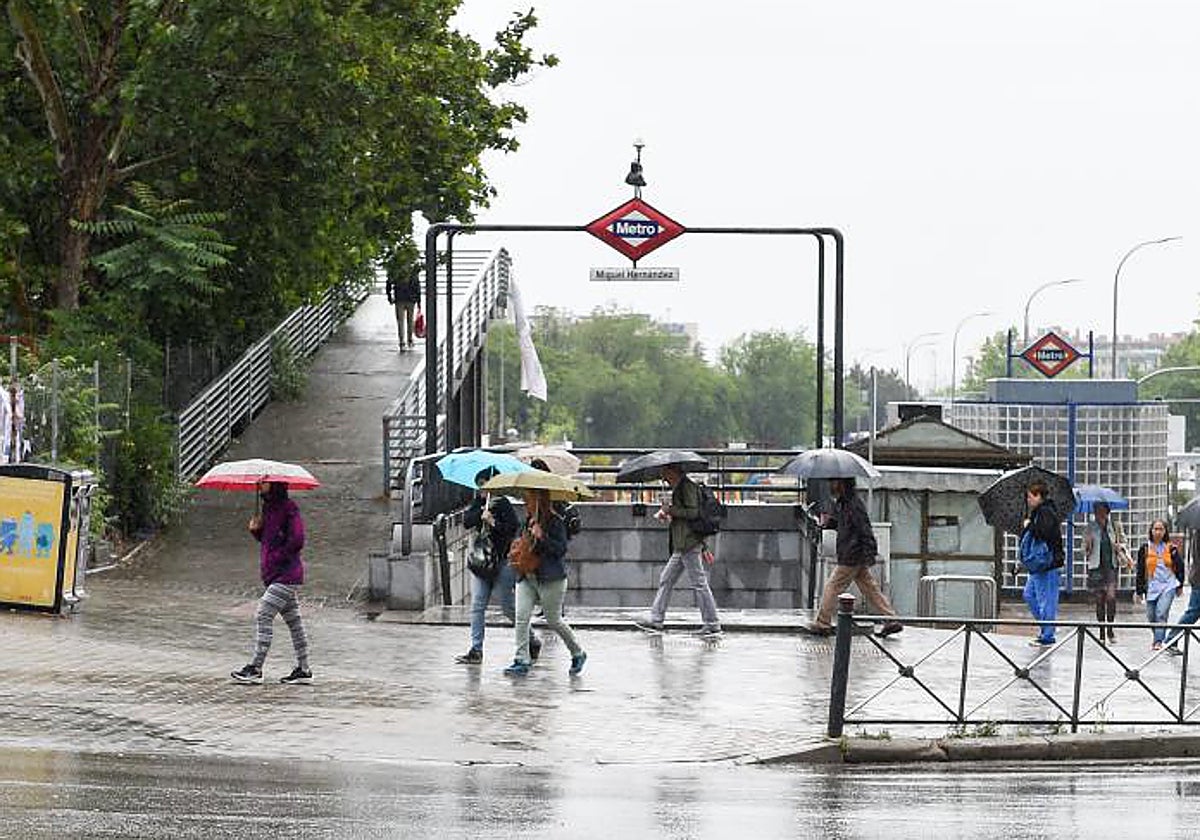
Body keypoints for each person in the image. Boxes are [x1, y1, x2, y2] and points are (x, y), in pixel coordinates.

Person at [455, 469, 541, 664]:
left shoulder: (503, 504)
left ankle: (531, 638)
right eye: (479, 485)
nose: (481, 490)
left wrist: (493, 522)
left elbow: (512, 529)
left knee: (507, 605)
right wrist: (480, 515)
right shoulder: (479, 503)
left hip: (503, 562)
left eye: (484, 485)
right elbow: (467, 521)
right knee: (477, 605)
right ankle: (476, 649)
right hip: (482, 563)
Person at [231, 481, 312, 684]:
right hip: (275, 575)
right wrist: (256, 530)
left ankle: (256, 668)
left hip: (286, 575)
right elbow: (269, 539)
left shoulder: (289, 508)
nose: (261, 484)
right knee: (294, 622)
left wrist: (278, 557)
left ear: (274, 484)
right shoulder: (268, 508)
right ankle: (304, 669)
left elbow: (298, 539)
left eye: (265, 482)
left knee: (263, 613)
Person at [803, 477, 902, 638]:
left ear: (842, 483)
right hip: (853, 553)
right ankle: (891, 619)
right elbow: (843, 524)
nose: (830, 485)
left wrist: (870, 551)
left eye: (833, 482)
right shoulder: (844, 503)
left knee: (833, 586)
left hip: (851, 553)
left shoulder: (852, 504)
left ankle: (823, 623)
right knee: (870, 588)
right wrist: (829, 523)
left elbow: (864, 528)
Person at [504, 487, 587, 677]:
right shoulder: (528, 520)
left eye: (530, 499)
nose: (527, 503)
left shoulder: (555, 521)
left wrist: (542, 537)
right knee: (521, 617)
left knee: (554, 620)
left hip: (550, 578)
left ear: (540, 500)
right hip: (527, 576)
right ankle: (521, 660)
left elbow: (560, 550)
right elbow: (522, 541)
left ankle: (578, 652)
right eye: (526, 499)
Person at [641, 464, 722, 637]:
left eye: (664, 472)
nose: (663, 476)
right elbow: (685, 517)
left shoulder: (686, 487)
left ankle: (712, 623)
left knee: (699, 583)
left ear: (673, 471)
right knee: (666, 579)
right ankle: (656, 620)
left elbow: (692, 513)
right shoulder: (681, 487)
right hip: (683, 542)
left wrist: (669, 509)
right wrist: (669, 515)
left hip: (688, 543)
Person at [1021, 480, 1064, 647]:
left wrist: (1029, 525)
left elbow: (1043, 532)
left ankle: (1048, 635)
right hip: (1038, 564)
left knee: (1046, 599)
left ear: (1039, 495)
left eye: (1030, 496)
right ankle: (1047, 626)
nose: (1028, 500)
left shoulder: (1046, 512)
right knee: (1029, 595)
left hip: (1047, 563)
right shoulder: (1038, 512)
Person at [1082, 502, 1131, 644]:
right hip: (1096, 567)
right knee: (1099, 599)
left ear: (1108, 512)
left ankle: (1110, 628)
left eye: (1102, 511)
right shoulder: (1090, 528)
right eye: (1097, 511)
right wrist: (1088, 544)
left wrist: (1119, 546)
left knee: (1111, 597)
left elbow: (1124, 542)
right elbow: (1084, 551)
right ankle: (1102, 632)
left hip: (1111, 567)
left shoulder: (1115, 526)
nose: (1099, 514)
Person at [1135, 518, 1183, 650]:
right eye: (1155, 529)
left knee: (1161, 613)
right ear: (1151, 531)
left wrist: (1180, 586)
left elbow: (1180, 567)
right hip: (1151, 586)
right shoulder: (1145, 549)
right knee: (1151, 616)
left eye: (1161, 529)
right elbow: (1140, 570)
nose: (1158, 532)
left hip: (1169, 585)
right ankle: (1159, 636)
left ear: (1165, 531)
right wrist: (1139, 591)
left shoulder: (1171, 548)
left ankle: (1158, 642)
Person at [1166, 530, 1200, 654]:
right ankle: (1170, 640)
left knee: (1193, 611)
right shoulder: (1199, 533)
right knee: (1193, 612)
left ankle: (1171, 640)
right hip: (1199, 579)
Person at [384, 255, 421, 351]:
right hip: (410, 299)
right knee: (410, 321)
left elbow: (388, 284)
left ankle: (402, 342)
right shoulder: (413, 272)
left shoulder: (396, 271)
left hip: (399, 299)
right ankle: (410, 340)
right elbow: (417, 286)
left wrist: (389, 297)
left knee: (400, 321)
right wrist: (418, 301)